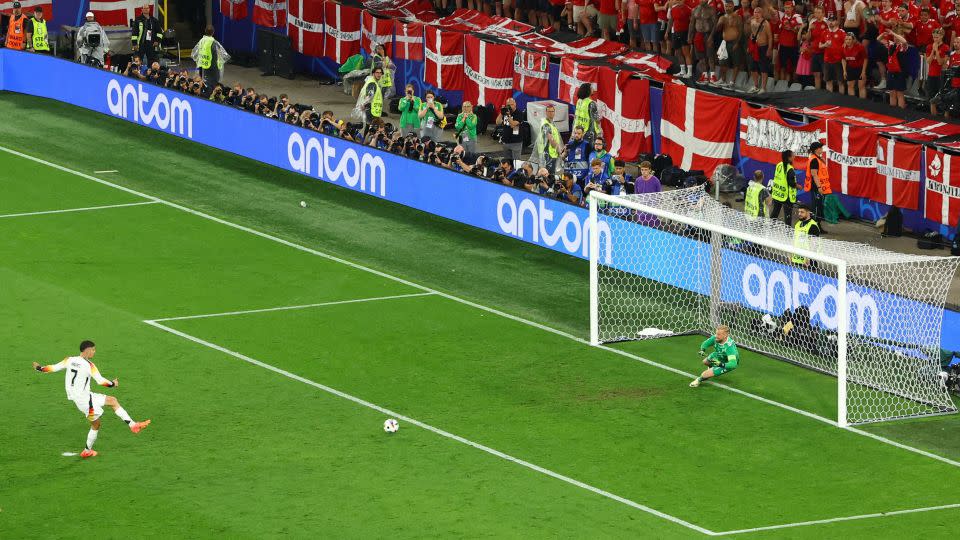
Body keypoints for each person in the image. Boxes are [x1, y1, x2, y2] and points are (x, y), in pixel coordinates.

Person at [32, 340, 151, 459]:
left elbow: (53, 368)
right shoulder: (89, 365)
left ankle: (133, 425)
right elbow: (101, 381)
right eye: (93, 349)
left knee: (112, 401)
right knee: (96, 424)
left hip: (85, 396)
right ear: (87, 350)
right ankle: (87, 451)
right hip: (85, 401)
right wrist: (113, 384)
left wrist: (39, 368)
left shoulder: (69, 360)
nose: (94, 352)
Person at [715, 1, 744, 87]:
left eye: (729, 6)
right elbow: (717, 30)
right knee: (722, 62)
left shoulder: (738, 17)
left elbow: (740, 31)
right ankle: (723, 80)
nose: (727, 8)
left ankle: (732, 82)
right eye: (726, 6)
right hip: (724, 43)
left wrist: (737, 43)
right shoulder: (722, 17)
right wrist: (720, 23)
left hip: (734, 42)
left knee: (736, 62)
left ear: (733, 6)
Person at [690, 0, 719, 83]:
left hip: (708, 34)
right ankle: (705, 75)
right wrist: (690, 36)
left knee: (710, 55)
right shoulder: (695, 9)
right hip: (698, 35)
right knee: (701, 57)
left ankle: (712, 76)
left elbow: (715, 24)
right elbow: (692, 24)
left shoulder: (711, 9)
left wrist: (711, 36)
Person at [746, 7, 773, 93]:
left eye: (758, 12)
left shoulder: (766, 23)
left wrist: (769, 49)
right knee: (753, 68)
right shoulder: (752, 21)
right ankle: (756, 86)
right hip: (754, 47)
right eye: (755, 12)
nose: (757, 14)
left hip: (763, 47)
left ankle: (763, 88)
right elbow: (752, 34)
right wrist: (749, 46)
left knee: (763, 68)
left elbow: (770, 37)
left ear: (762, 14)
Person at [776, 1, 802, 82]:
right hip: (783, 46)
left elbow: (801, 31)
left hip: (793, 46)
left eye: (788, 8)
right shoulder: (782, 17)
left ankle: (794, 84)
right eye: (785, 8)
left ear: (792, 8)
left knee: (794, 67)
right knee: (782, 67)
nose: (787, 9)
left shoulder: (797, 17)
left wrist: (791, 28)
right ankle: (782, 85)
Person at [770, 150, 797, 225]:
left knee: (775, 212)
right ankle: (788, 232)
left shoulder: (779, 165)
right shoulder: (790, 169)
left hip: (778, 193)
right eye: (793, 155)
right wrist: (798, 186)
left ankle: (770, 226)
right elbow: (791, 183)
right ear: (789, 158)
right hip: (786, 196)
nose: (794, 156)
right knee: (788, 215)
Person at [820, 15, 847, 92]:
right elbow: (820, 45)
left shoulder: (842, 32)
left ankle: (841, 101)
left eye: (833, 21)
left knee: (840, 82)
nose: (831, 22)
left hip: (838, 61)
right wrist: (825, 45)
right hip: (827, 61)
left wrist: (844, 46)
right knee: (828, 81)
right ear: (827, 22)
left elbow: (847, 43)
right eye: (829, 21)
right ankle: (829, 101)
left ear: (836, 22)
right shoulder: (824, 32)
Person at [534, 103, 563, 173]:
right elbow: (551, 140)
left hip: (551, 153)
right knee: (548, 174)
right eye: (549, 111)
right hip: (548, 154)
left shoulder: (551, 123)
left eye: (552, 111)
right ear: (546, 112)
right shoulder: (546, 124)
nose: (551, 113)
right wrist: (559, 149)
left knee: (550, 173)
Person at [669, 0, 694, 78]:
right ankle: (682, 71)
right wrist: (667, 32)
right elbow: (671, 21)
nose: (679, 1)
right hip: (675, 32)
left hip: (685, 33)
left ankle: (689, 72)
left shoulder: (688, 9)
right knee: (678, 52)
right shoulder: (673, 9)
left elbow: (692, 23)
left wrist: (690, 35)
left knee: (686, 53)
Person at [927, 29, 949, 114]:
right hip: (931, 75)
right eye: (933, 37)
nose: (935, 39)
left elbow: (940, 62)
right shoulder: (929, 47)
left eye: (936, 37)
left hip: (940, 76)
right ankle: (933, 117)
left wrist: (936, 50)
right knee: (931, 98)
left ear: (941, 36)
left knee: (940, 97)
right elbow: (928, 61)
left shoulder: (945, 47)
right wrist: (933, 50)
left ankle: (943, 117)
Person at [842, 31, 868, 98]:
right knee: (850, 86)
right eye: (846, 39)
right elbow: (843, 59)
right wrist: (844, 70)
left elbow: (865, 59)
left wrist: (863, 71)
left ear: (853, 40)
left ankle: (862, 103)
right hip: (850, 68)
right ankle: (852, 103)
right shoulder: (843, 47)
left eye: (850, 39)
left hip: (860, 68)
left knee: (861, 86)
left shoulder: (860, 47)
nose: (848, 41)